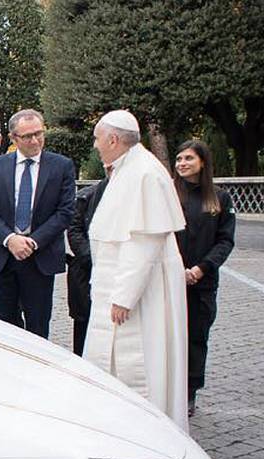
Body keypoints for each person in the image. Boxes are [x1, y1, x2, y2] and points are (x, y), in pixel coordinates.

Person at [83, 110, 188, 429]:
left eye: (98, 138)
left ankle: (146, 428)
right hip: (122, 290)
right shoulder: (125, 170)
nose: (96, 145)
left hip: (141, 296)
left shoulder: (145, 172)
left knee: (141, 361)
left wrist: (123, 297)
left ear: (113, 139)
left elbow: (144, 241)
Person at [0, 109, 76, 338]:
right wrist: (10, 239)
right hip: (3, 258)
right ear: (13, 138)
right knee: (5, 327)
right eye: (27, 136)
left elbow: (65, 212)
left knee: (38, 327)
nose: (35, 140)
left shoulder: (61, 166)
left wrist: (32, 242)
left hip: (39, 258)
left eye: (39, 133)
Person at [174, 139, 236, 414]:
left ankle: (189, 392)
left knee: (196, 339)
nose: (182, 164)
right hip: (172, 280)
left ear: (202, 162)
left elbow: (225, 241)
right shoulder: (170, 194)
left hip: (202, 283)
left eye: (188, 159)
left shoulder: (219, 199)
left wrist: (201, 268)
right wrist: (176, 269)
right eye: (179, 159)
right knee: (170, 338)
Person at [65, 168, 110, 356]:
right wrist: (95, 259)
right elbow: (74, 230)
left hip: (117, 275)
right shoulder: (86, 197)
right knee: (83, 326)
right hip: (85, 271)